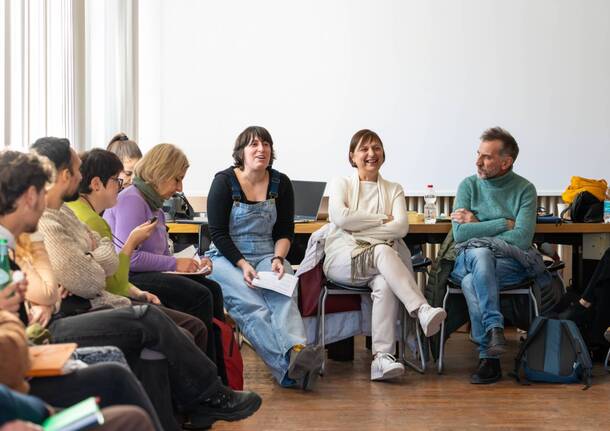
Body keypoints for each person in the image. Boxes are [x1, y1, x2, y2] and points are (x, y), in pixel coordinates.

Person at [28, 138, 261, 430]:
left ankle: (202, 401)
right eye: (77, 170)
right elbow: (94, 276)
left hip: (97, 298)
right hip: (78, 310)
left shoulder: (64, 214)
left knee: (194, 304)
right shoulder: (49, 221)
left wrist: (92, 259)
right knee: (162, 313)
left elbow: (104, 263)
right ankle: (209, 396)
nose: (81, 177)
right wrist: (87, 263)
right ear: (63, 176)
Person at [0, 150, 160, 431]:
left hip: (31, 358)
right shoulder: (26, 238)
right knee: (139, 333)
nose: (47, 201)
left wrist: (40, 303)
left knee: (149, 325)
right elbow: (65, 287)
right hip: (26, 371)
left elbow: (102, 267)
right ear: (30, 197)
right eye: (42, 191)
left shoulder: (20, 241)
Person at [322, 129, 447, 381]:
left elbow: (401, 227)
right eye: (364, 149)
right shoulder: (341, 183)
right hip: (343, 259)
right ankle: (420, 308)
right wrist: (381, 219)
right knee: (382, 249)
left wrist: (358, 224)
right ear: (352, 156)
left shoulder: (393, 189)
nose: (371, 154)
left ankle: (382, 358)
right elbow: (340, 217)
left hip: (379, 265)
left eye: (376, 148)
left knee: (385, 282)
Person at [206, 126, 322, 390]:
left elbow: (284, 232)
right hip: (227, 256)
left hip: (268, 252)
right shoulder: (223, 181)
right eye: (254, 144)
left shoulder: (281, 182)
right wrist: (243, 264)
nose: (262, 149)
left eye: (266, 144)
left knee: (284, 292)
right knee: (252, 305)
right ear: (241, 152)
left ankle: (296, 350)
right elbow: (218, 234)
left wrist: (279, 259)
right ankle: (290, 370)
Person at [65, 148, 209, 354]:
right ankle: (209, 380)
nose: (122, 186)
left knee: (206, 291)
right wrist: (135, 246)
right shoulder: (100, 216)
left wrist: (193, 262)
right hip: (119, 287)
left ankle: (215, 377)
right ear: (96, 184)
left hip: (121, 287)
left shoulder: (152, 205)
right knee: (199, 302)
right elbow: (112, 278)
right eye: (117, 180)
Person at [103, 143, 226, 368]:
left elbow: (159, 253)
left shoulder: (153, 204)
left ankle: (218, 371)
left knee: (213, 290)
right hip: (130, 277)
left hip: (147, 273)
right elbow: (129, 258)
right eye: (177, 179)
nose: (180, 187)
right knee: (201, 295)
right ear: (160, 173)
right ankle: (203, 375)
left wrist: (193, 262)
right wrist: (176, 263)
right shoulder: (132, 200)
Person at [450, 127, 543, 384]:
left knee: (473, 279)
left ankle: (489, 358)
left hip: (508, 264)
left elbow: (523, 238)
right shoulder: (468, 185)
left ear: (506, 162)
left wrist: (476, 224)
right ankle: (494, 327)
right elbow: (459, 235)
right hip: (468, 259)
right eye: (478, 154)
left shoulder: (525, 189)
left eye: (487, 157)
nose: (478, 161)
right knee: (480, 255)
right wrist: (503, 223)